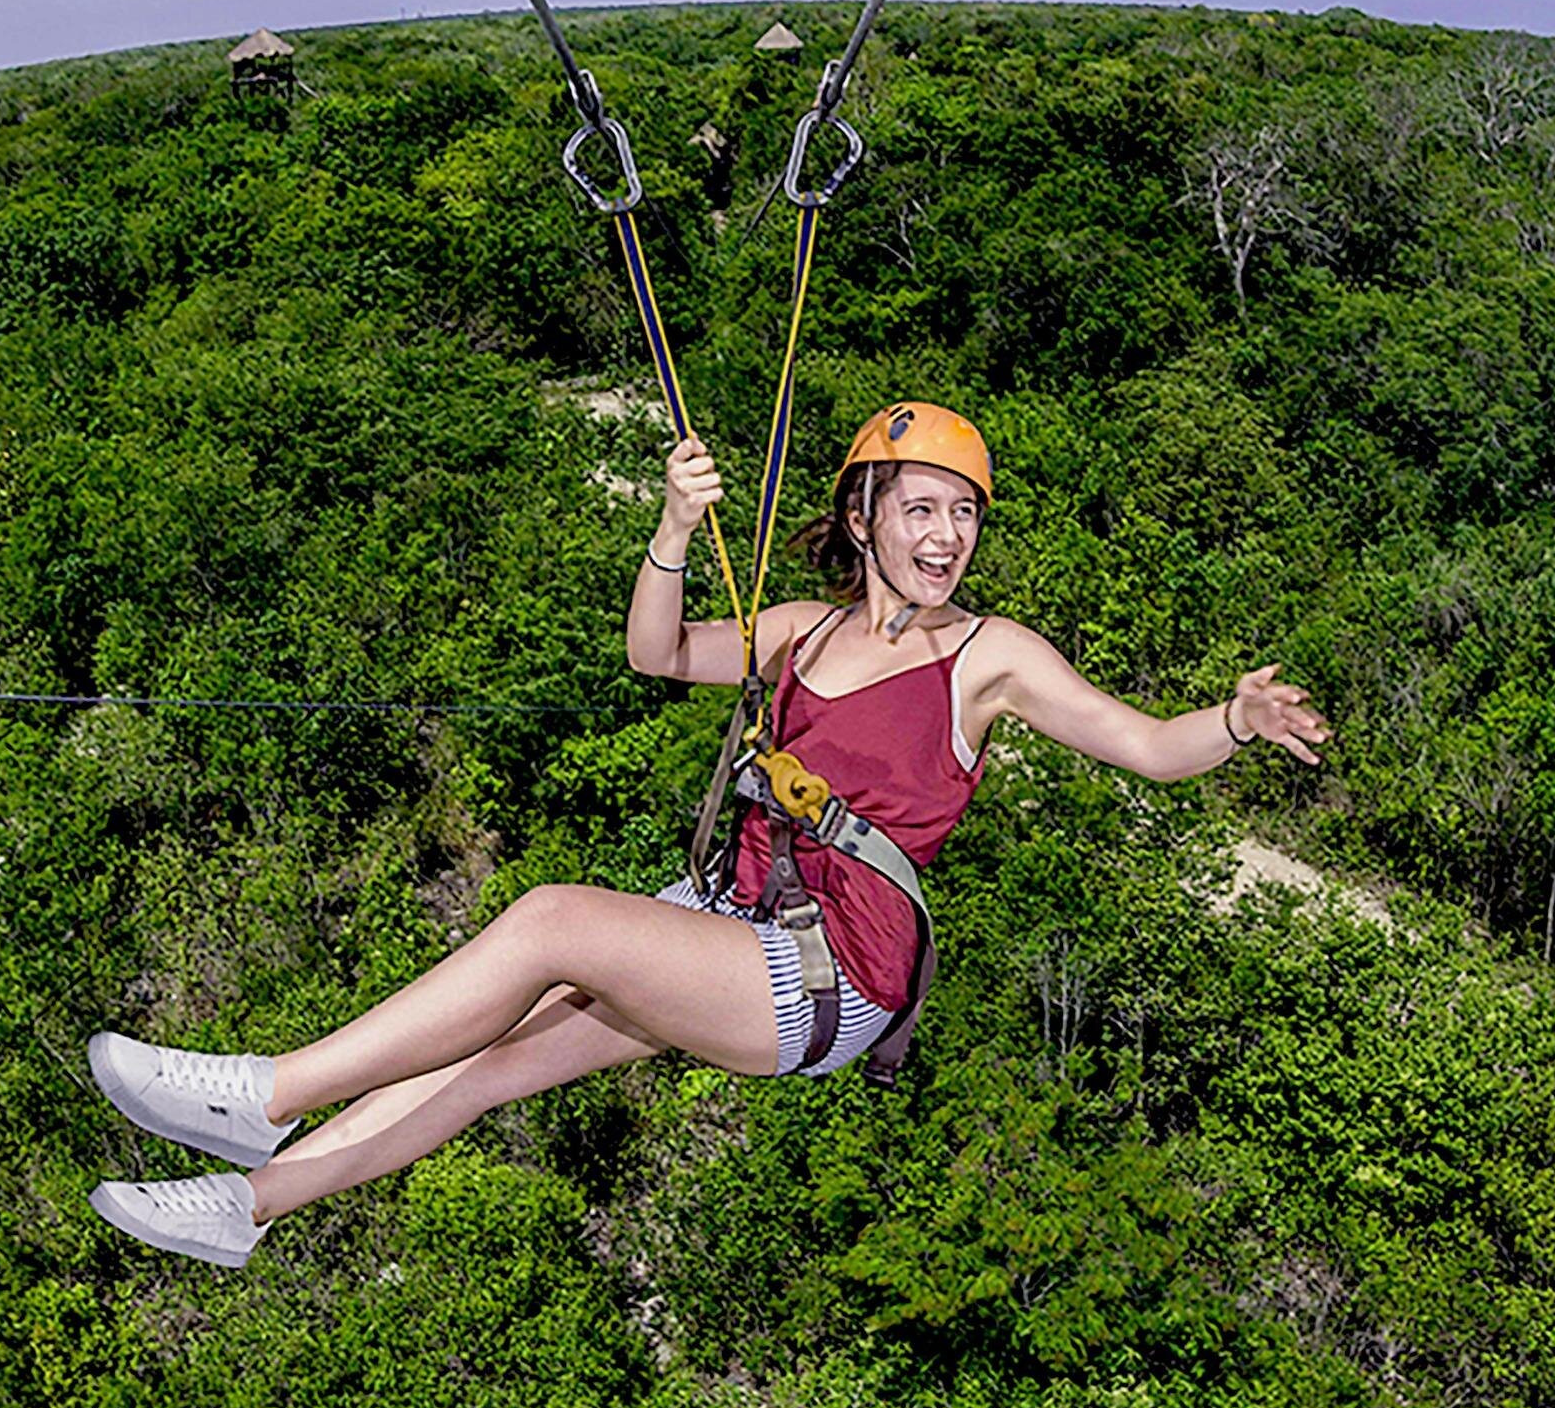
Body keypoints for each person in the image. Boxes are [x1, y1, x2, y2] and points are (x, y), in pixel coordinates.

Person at [85, 401, 1330, 1266]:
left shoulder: (987, 657)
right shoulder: (797, 629)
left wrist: (1232, 718)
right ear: (864, 518)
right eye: (923, 509)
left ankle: (268, 1094)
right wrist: (674, 530)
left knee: (552, 922)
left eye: (965, 514)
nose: (948, 537)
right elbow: (657, 652)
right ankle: (247, 1206)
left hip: (832, 974)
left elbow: (1146, 745)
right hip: (731, 927)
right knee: (486, 1062)